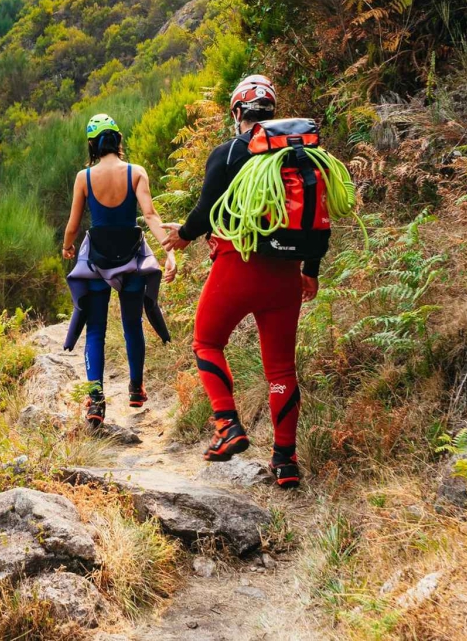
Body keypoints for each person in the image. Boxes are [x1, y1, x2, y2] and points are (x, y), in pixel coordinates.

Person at [163, 75, 318, 489]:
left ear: (237, 113)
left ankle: (227, 425)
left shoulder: (230, 151)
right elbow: (316, 213)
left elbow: (205, 208)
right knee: (282, 368)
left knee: (206, 341)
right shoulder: (296, 156)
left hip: (238, 262)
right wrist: (311, 271)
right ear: (272, 112)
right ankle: (285, 462)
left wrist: (182, 235)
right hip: (287, 271)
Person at [61, 114, 177, 428]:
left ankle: (96, 400)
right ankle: (136, 389)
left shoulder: (83, 177)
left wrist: (67, 247)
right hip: (130, 258)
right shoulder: (136, 173)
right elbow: (151, 215)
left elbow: (73, 225)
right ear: (118, 140)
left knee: (95, 330)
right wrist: (169, 254)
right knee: (132, 326)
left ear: (92, 144)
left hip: (98, 260)